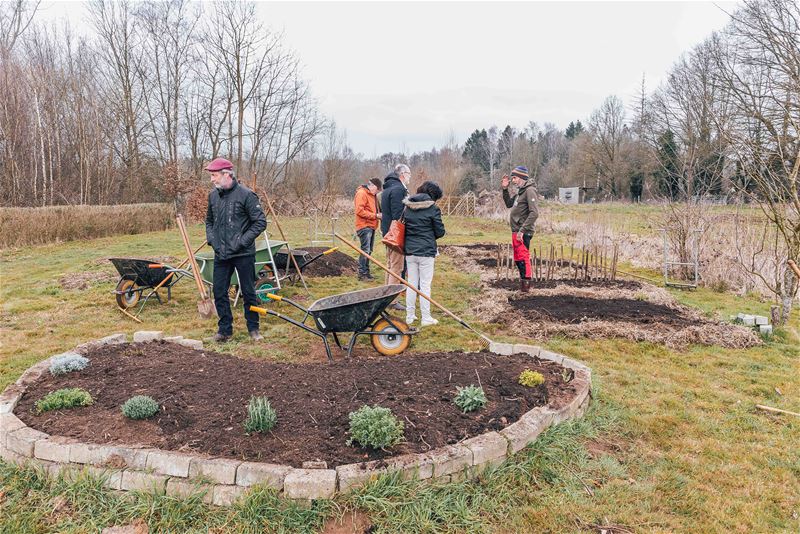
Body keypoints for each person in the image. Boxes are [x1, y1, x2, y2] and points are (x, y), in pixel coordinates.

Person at [204, 157, 267, 342]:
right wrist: (212, 240)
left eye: (214, 175)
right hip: (221, 253)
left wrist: (241, 241)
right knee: (219, 292)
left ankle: (253, 329)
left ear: (227, 174)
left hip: (243, 253)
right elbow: (209, 221)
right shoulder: (213, 196)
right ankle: (225, 331)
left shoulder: (246, 195)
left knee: (248, 291)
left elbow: (260, 222)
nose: (212, 179)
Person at [403, 181, 446, 327]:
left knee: (411, 284)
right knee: (425, 285)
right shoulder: (433, 209)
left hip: (410, 251)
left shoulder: (407, 207)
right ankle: (426, 317)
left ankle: (409, 316)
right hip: (426, 251)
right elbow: (440, 232)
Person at [501, 166, 538, 292]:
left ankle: (526, 288)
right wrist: (505, 189)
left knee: (523, 257)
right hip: (516, 230)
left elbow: (534, 213)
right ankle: (523, 286)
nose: (513, 180)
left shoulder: (530, 191)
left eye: (515, 178)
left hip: (523, 231)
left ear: (522, 178)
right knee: (518, 259)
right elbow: (508, 204)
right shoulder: (520, 191)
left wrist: (522, 230)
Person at [380, 163, 412, 310]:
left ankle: (385, 295)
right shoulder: (399, 189)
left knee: (389, 264)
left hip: (387, 231)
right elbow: (399, 214)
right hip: (395, 234)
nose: (409, 177)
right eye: (409, 174)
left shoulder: (387, 188)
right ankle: (392, 300)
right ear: (402, 175)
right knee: (396, 267)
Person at [354, 177, 383, 280]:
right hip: (364, 226)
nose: (377, 193)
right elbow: (359, 211)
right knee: (365, 250)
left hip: (371, 226)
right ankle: (362, 273)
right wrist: (376, 216)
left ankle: (366, 272)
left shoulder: (372, 195)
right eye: (377, 190)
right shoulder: (362, 193)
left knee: (369, 251)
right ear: (373, 186)